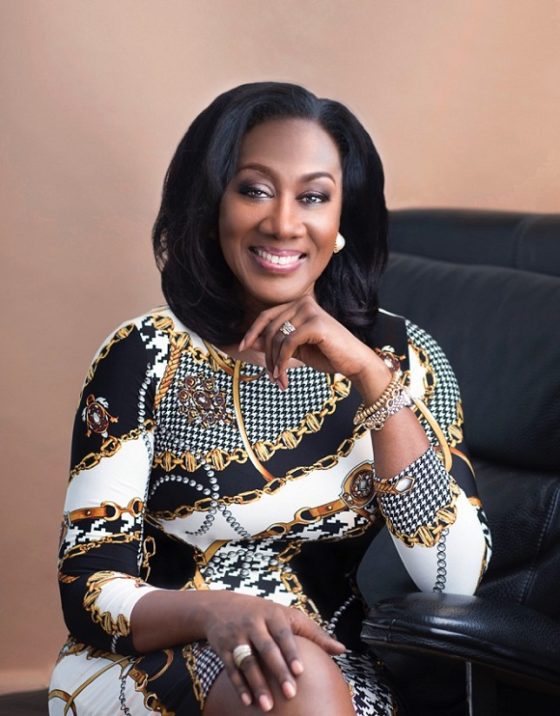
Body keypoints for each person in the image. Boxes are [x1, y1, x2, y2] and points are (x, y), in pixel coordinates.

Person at [49, 82, 491, 716]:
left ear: (342, 220)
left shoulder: (404, 357)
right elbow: (88, 586)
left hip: (335, 667)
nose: (283, 223)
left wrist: (372, 379)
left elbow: (452, 578)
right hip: (146, 660)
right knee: (296, 682)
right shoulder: (144, 354)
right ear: (210, 205)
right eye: (254, 190)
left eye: (313, 197)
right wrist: (217, 611)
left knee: (303, 679)